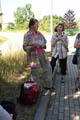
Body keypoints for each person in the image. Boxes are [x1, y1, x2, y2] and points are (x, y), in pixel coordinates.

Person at [23, 18, 53, 95]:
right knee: (35, 74)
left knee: (48, 69)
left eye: (38, 24)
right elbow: (25, 47)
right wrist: (33, 47)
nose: (38, 25)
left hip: (42, 55)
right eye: (36, 24)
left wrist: (43, 44)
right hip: (33, 57)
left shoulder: (39, 33)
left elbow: (45, 41)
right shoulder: (27, 35)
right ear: (31, 25)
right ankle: (36, 91)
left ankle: (48, 86)